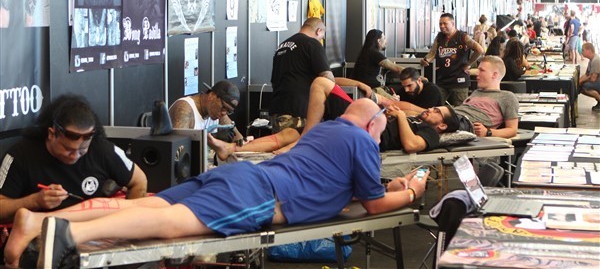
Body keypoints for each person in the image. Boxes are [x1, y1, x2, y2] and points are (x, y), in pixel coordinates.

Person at [4, 99, 429, 268]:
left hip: (240, 175)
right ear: (372, 124)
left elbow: (353, 189)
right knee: (169, 225)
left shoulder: (325, 130)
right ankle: (69, 234)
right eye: (382, 129)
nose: (381, 137)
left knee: (148, 206)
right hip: (260, 194)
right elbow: (373, 205)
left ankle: (36, 222)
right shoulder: (363, 140)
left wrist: (388, 188)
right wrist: (412, 192)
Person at [209, 77, 460, 160]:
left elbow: (411, 145)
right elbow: (402, 105)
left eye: (438, 112)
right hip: (362, 115)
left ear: (442, 125)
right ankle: (230, 148)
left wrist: (402, 117)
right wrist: (386, 101)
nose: (432, 110)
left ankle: (302, 141)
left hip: (363, 131)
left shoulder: (430, 133)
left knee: (320, 85)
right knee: (291, 132)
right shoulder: (419, 116)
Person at [0, 95, 147, 224]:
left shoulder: (103, 150)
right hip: (40, 232)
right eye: (67, 148)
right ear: (51, 134)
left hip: (93, 230)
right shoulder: (20, 155)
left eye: (82, 150)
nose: (75, 155)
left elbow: (139, 181)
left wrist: (126, 224)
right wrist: (35, 201)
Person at [269, 18, 369, 132]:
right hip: (299, 113)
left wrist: (356, 83)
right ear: (319, 31)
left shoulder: (281, 46)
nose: (321, 40)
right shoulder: (312, 43)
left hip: (277, 111)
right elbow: (328, 80)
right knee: (302, 143)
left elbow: (275, 81)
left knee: (280, 143)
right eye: (322, 37)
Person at [420, 13, 484, 106]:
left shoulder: (462, 36)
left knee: (460, 109)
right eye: (440, 24)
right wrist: (426, 60)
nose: (442, 26)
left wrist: (468, 64)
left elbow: (480, 50)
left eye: (445, 23)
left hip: (459, 79)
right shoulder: (439, 37)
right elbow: (433, 52)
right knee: (435, 106)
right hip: (442, 79)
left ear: (453, 24)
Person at [449, 56, 519, 138]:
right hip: (453, 115)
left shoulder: (507, 97)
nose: (477, 73)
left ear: (494, 75)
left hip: (464, 123)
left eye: (481, 70)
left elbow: (512, 130)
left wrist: (488, 132)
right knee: (438, 111)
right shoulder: (476, 92)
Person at [168, 80, 243, 142]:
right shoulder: (184, 109)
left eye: (228, 111)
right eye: (223, 107)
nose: (224, 113)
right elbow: (180, 147)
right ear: (212, 96)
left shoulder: (219, 112)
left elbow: (239, 139)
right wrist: (213, 137)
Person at [352, 29, 405, 98]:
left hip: (365, 90)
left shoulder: (365, 52)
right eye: (384, 38)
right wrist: (414, 74)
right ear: (379, 41)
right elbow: (396, 68)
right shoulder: (374, 53)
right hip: (373, 90)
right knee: (395, 102)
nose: (386, 41)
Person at [579, 42, 600, 112]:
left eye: (583, 50)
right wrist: (578, 82)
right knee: (580, 86)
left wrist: (581, 82)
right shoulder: (591, 60)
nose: (581, 52)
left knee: (585, 86)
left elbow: (593, 79)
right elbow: (587, 74)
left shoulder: (596, 60)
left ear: (589, 50)